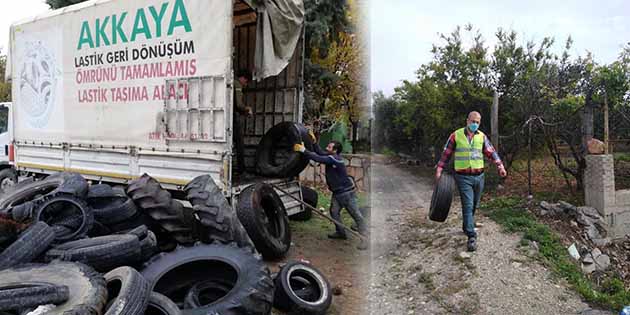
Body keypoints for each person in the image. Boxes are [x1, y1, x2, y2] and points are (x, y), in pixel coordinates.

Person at [435, 111, 507, 252]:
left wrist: (500, 166)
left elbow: (491, 152)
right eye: (472, 121)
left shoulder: (481, 137)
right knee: (467, 205)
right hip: (463, 177)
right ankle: (471, 235)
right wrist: (439, 169)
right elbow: (446, 154)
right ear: (467, 120)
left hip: (479, 176)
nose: (474, 124)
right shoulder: (456, 135)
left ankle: (466, 225)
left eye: (477, 122)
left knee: (474, 204)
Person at [294, 135, 368, 250]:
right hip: (337, 193)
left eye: (329, 147)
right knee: (334, 213)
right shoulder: (330, 156)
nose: (327, 148)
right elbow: (319, 152)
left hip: (346, 193)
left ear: (335, 150)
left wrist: (304, 150)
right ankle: (341, 233)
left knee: (356, 214)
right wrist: (314, 143)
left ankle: (365, 238)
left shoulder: (336, 159)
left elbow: (318, 158)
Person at [233, 69, 253, 174]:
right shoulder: (237, 84)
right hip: (233, 119)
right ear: (243, 78)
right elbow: (238, 104)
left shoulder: (230, 81)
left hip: (227, 118)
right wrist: (247, 109)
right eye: (246, 82)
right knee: (240, 144)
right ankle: (242, 170)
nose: (245, 84)